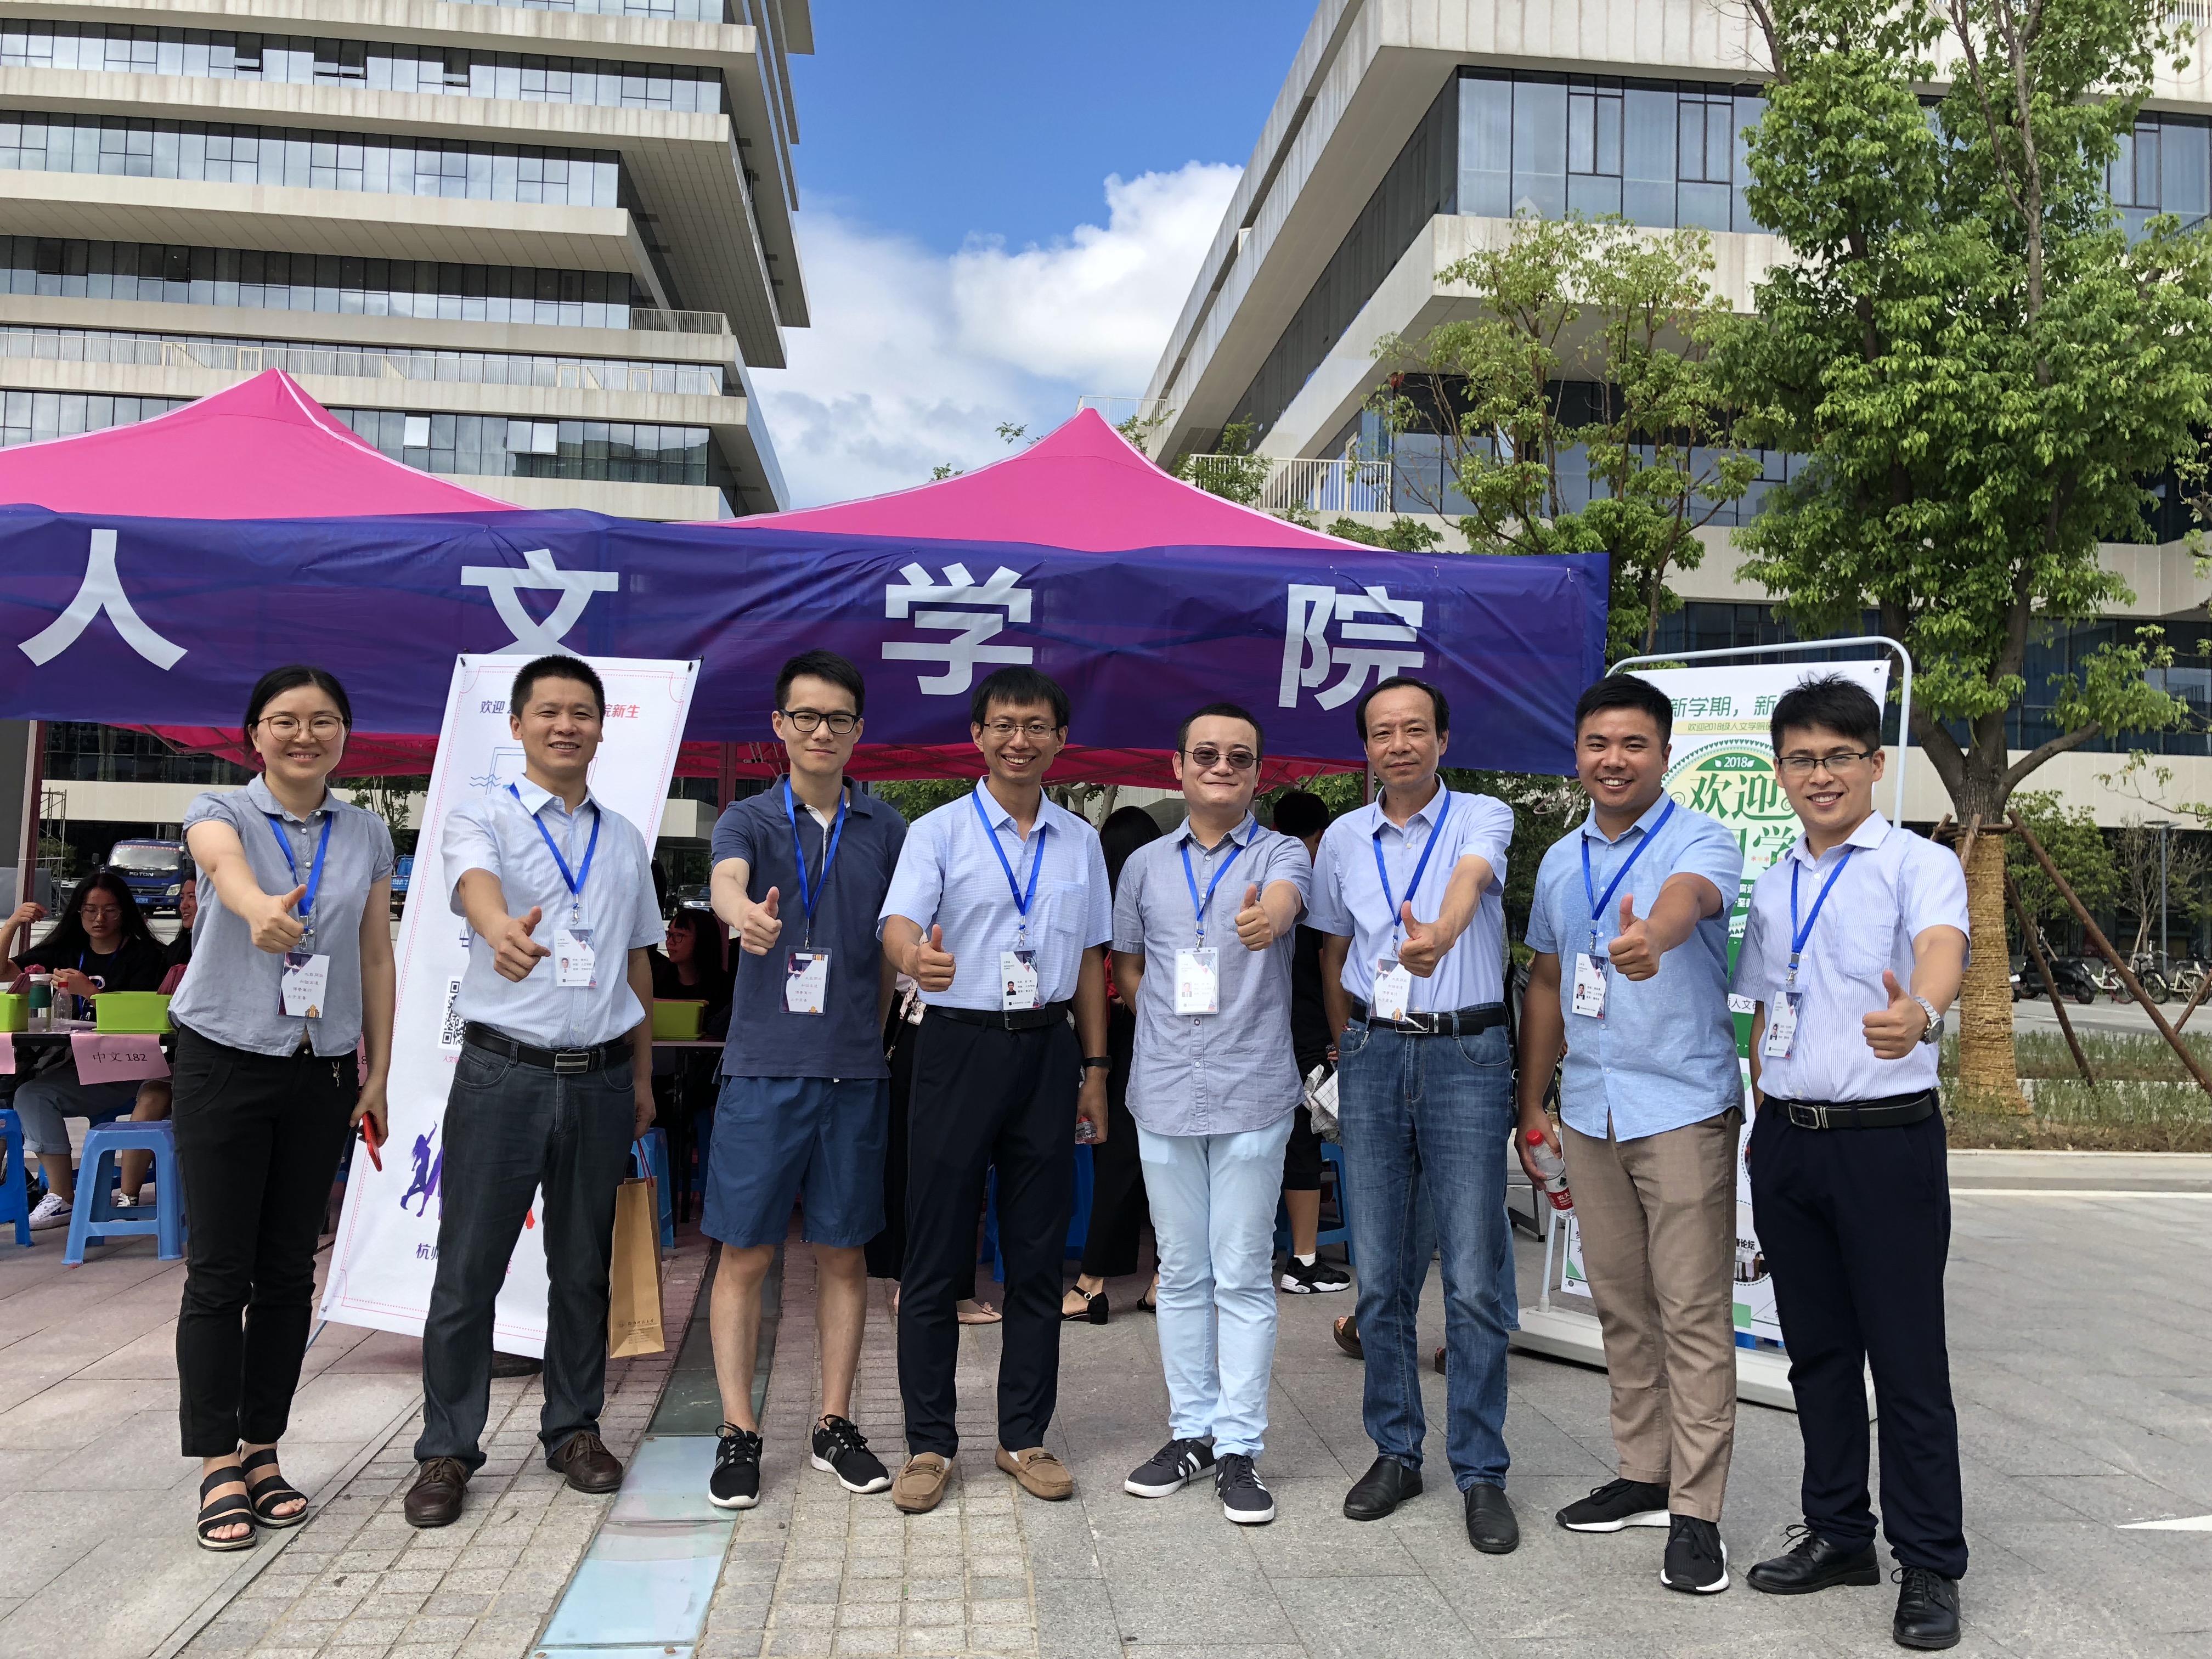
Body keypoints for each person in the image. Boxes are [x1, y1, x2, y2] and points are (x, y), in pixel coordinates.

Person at [1734, 675, 1969, 1651]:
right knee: (1818, 1354)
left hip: (1885, 1141)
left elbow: (1941, 949)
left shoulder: (1919, 863)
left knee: (1906, 1359)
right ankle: (1837, 1532)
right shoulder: (1776, 879)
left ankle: (1930, 1561)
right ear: (1780, 771)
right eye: (1801, 758)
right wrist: (1766, 1119)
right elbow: (1764, 1011)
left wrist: (1921, 1010)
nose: (1819, 774)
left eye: (1838, 756)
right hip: (1791, 1139)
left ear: (1875, 764)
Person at [404, 654, 665, 1529]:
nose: (566, 725)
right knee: (468, 1269)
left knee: (583, 1269)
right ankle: (447, 1450)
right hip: (502, 1073)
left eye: (581, 712)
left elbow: (635, 961)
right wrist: (497, 930)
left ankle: (574, 1430)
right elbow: (476, 888)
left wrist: (641, 1076)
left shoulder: (624, 839)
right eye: (548, 711)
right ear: (517, 726)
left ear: (601, 727)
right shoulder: (481, 816)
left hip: (600, 1079)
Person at [1517, 674, 1746, 1594]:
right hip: (1589, 1106)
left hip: (1680, 1105)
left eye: (1633, 744)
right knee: (1619, 1302)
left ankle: (1697, 1513)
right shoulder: (1560, 861)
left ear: (1664, 753)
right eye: (1598, 744)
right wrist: (1532, 1100)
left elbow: (1690, 899)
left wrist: (1654, 932)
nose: (1614, 760)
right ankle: (1644, 1472)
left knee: (1692, 1311)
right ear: (1577, 753)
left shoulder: (1701, 839)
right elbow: (1547, 981)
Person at [164, 665, 396, 1550]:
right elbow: (225, 870)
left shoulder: (365, 830)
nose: (306, 735)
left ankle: (262, 1447)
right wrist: (259, 906)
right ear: (255, 734)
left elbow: (375, 954)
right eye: (286, 720)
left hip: (321, 1067)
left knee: (290, 1270)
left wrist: (378, 1068)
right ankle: (216, 1460)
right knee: (220, 1270)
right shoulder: (220, 809)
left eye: (325, 720)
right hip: (224, 1058)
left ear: (345, 735)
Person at [877, 665, 1112, 1515]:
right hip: (955, 1045)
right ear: (977, 735)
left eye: (1037, 725)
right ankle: (929, 1444)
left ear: (1059, 739)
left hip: (1046, 1048)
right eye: (1004, 724)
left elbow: (1093, 959)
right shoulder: (937, 831)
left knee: (1038, 1254)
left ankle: (1023, 1436)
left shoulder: (1080, 841)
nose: (1020, 739)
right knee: (935, 1251)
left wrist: (1094, 1070)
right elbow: (899, 925)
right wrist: (914, 958)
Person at [1306, 675, 1521, 1554]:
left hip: (1466, 1052)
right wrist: (1345, 1043)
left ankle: (1481, 1469)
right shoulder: (1343, 840)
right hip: (1374, 1051)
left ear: (1442, 739)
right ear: (1366, 747)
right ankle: (1396, 1451)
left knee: (1471, 1276)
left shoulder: (1482, 816)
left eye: (1415, 730)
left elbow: (1469, 881)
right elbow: (1335, 948)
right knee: (1381, 1274)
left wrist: (1439, 935)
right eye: (1382, 733)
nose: (1399, 745)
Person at [700, 650, 907, 1510]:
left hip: (855, 1072)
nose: (822, 732)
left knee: (843, 1253)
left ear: (859, 730)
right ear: (779, 726)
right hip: (762, 1071)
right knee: (745, 1252)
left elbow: (897, 936)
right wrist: (741, 914)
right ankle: (739, 1430)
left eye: (839, 719)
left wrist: (891, 1008)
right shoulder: (748, 819)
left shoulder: (887, 828)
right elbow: (725, 880)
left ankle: (834, 1423)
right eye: (807, 717)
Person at [1113, 704, 1310, 1525]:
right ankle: (1190, 1433)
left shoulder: (1281, 854)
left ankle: (1239, 1448)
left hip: (1251, 1088)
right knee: (1182, 1271)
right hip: (1163, 1089)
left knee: (1242, 1274)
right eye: (1206, 754)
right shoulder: (1144, 867)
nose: (1222, 767)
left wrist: (1271, 917)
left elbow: (1288, 902)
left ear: (1258, 773)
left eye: (1239, 756)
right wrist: (1160, 1019)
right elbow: (1128, 965)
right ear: (1178, 767)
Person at [1, 869, 172, 1228]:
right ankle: (60, 1196)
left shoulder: (148, 956)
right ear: (78, 912)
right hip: (78, 1066)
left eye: (110, 910)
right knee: (28, 1094)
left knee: (30, 1093)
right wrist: (13, 924)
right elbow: (4, 971)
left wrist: (91, 994)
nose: (99, 919)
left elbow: (144, 1021)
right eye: (90, 910)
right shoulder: (67, 950)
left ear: (125, 913)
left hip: (129, 1068)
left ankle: (63, 1195)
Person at [1062, 805, 1163, 1323]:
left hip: (1116, 1039)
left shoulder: (1104, 900)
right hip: (1166, 1035)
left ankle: (1092, 1284)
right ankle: (1162, 1277)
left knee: (1118, 1160)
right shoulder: (1162, 891)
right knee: (1168, 1160)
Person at [1268, 789, 1350, 1295]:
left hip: (1263, 1030)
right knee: (1303, 1145)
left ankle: (1273, 1253)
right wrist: (1340, 1036)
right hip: (1308, 1036)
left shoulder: (1262, 877)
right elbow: (1330, 971)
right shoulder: (1317, 891)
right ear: (1321, 836)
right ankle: (1302, 1261)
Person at [119, 874, 198, 1207]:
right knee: (153, 1095)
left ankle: (196, 1201)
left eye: (194, 896)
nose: (185, 905)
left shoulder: (234, 950)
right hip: (179, 1057)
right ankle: (128, 1198)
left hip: (225, 1062)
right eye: (183, 897)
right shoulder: (176, 951)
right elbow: (153, 1011)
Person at [650, 908, 732, 1019]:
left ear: (702, 940)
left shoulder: (725, 989)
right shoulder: (655, 980)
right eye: (669, 934)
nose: (670, 942)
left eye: (679, 935)